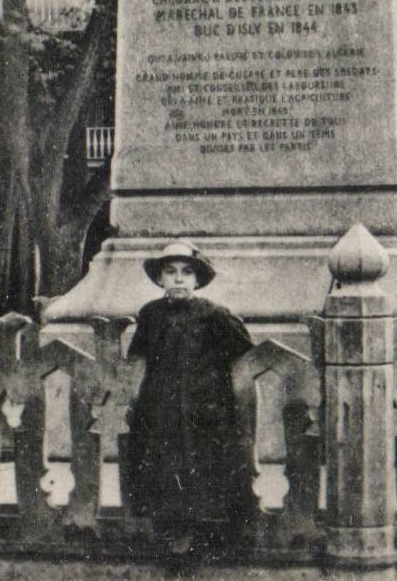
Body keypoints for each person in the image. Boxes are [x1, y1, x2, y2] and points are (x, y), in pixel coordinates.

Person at [125, 239, 256, 558]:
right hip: (161, 405)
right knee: (163, 464)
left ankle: (211, 532)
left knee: (203, 464)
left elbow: (240, 360)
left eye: (187, 272)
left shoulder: (214, 314)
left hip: (204, 405)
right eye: (170, 272)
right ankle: (172, 532)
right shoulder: (150, 314)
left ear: (198, 279)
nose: (179, 278)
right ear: (160, 279)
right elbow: (139, 358)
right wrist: (134, 395)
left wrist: (238, 401)